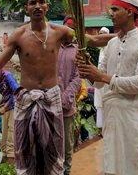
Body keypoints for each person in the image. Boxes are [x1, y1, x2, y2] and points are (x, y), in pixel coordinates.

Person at [0, 0, 113, 175]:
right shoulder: (19, 35)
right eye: (32, 2)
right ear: (26, 8)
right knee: (26, 154)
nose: (37, 6)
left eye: (41, 1)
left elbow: (93, 40)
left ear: (47, 6)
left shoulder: (60, 32)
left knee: (53, 155)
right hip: (26, 101)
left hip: (52, 98)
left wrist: (124, 34)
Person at [77, 0, 138, 175]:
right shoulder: (112, 44)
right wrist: (87, 67)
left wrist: (102, 76)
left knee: (135, 167)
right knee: (112, 168)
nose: (111, 13)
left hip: (133, 118)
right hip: (112, 118)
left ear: (130, 11)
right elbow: (98, 83)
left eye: (115, 9)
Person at [58, 16, 82, 175]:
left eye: (72, 29)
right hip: (49, 105)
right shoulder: (53, 46)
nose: (69, 31)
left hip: (67, 107)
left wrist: (65, 98)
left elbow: (78, 77)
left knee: (67, 146)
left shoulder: (78, 50)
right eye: (67, 27)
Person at [0, 69, 19, 164]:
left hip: (14, 107)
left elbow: (16, 93)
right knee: (4, 138)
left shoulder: (8, 76)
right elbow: (5, 95)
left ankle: (11, 163)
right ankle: (4, 161)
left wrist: (5, 107)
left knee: (11, 136)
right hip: (7, 108)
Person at [94, 27, 110, 131]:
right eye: (100, 33)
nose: (101, 36)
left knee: (107, 104)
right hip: (98, 81)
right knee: (99, 105)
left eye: (103, 34)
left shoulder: (110, 48)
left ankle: (107, 127)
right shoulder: (99, 49)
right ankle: (101, 128)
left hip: (107, 81)